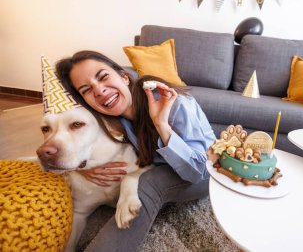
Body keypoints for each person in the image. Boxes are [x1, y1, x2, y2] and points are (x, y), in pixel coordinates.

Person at [56, 50, 216, 251]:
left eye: (103, 77)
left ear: (124, 76)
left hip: (206, 175)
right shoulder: (112, 117)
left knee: (146, 184)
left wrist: (162, 125)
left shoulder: (176, 105)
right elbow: (76, 143)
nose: (98, 91)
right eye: (87, 89)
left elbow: (200, 170)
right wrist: (81, 168)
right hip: (164, 167)